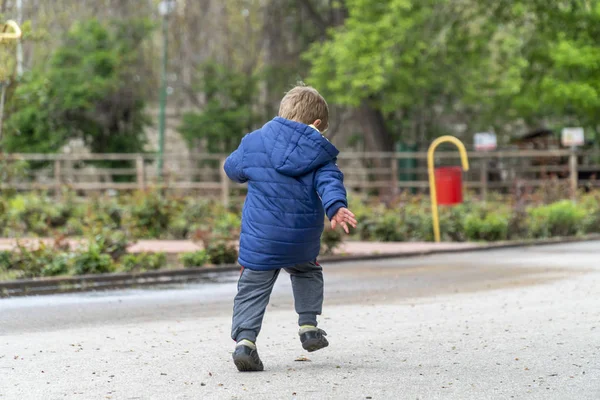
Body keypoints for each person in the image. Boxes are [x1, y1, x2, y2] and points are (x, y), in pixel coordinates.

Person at [224, 85, 357, 372]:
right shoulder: (319, 153)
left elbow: (232, 170)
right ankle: (309, 326)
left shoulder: (254, 141)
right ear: (317, 124)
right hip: (300, 238)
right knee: (307, 271)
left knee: (252, 287)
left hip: (261, 238)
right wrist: (336, 207)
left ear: (282, 113)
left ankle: (245, 342)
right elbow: (330, 183)